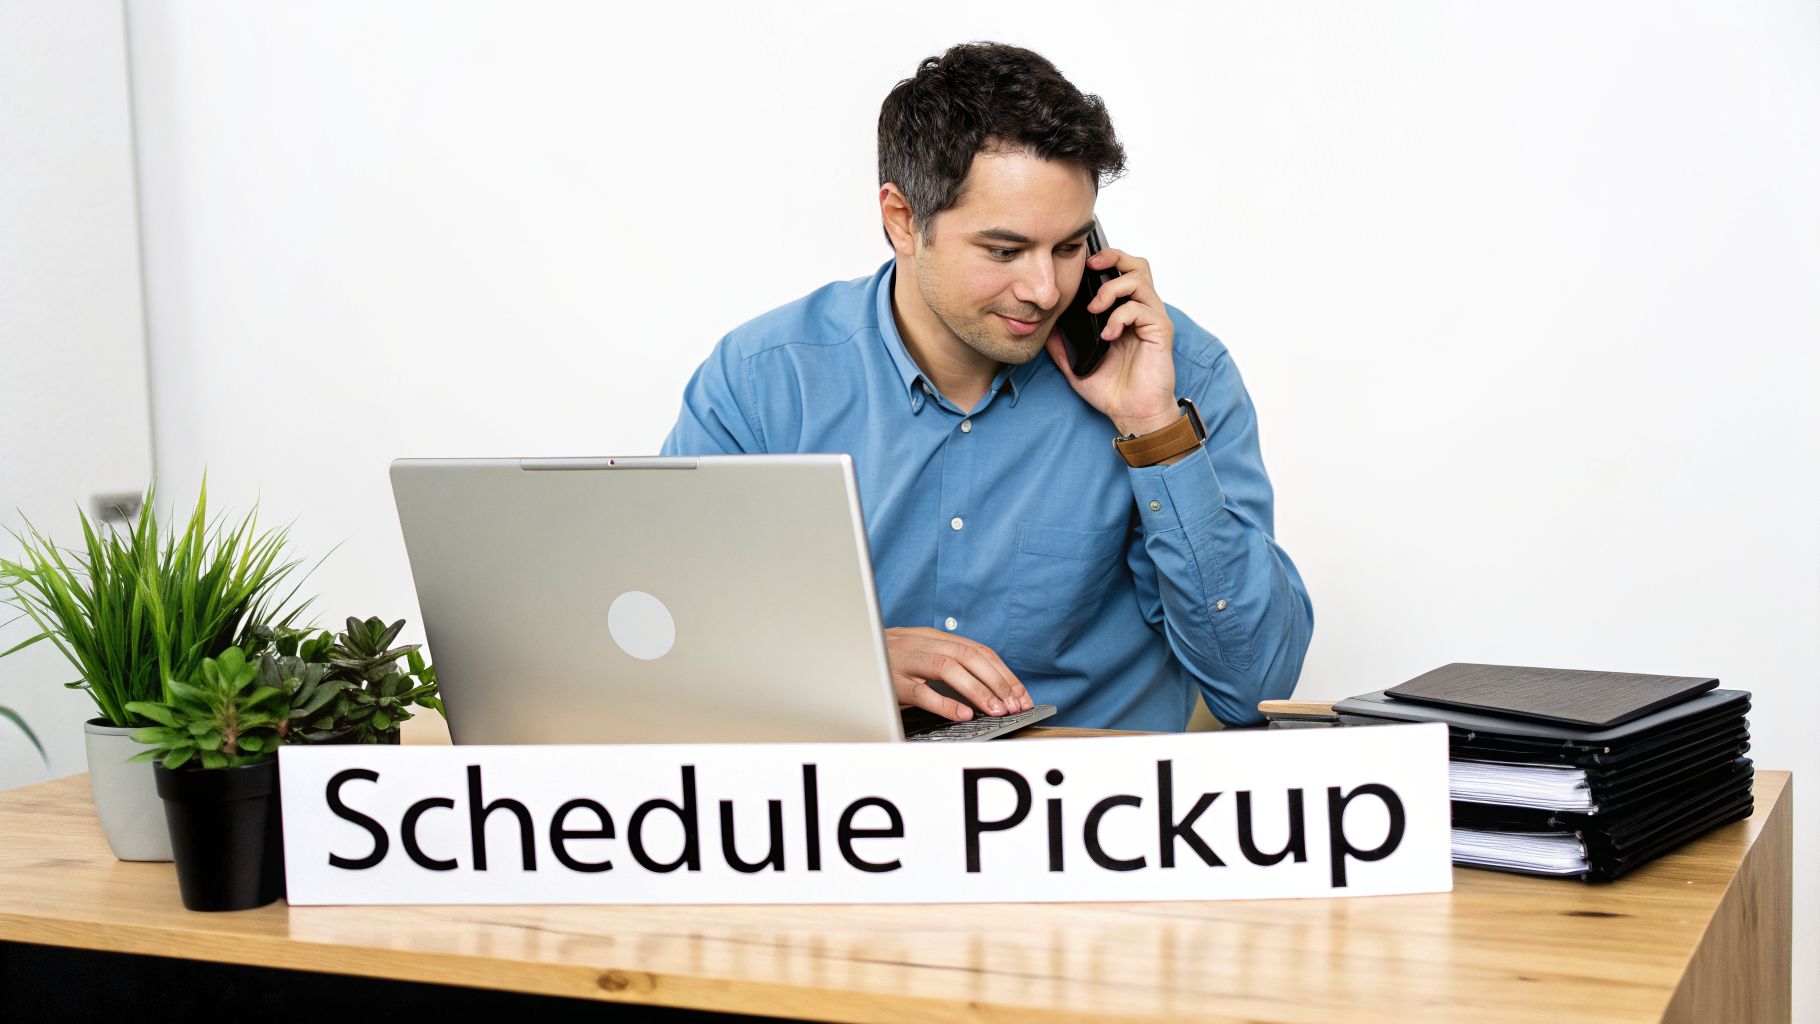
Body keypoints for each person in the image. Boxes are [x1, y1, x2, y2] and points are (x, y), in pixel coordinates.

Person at [662, 42, 1312, 730]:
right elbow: (669, 640)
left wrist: (1153, 429)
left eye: (1068, 247)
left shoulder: (1177, 373)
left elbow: (1256, 689)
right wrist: (844, 660)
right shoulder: (765, 380)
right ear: (903, 220)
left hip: (1091, 815)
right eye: (1004, 251)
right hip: (849, 816)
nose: (1044, 290)